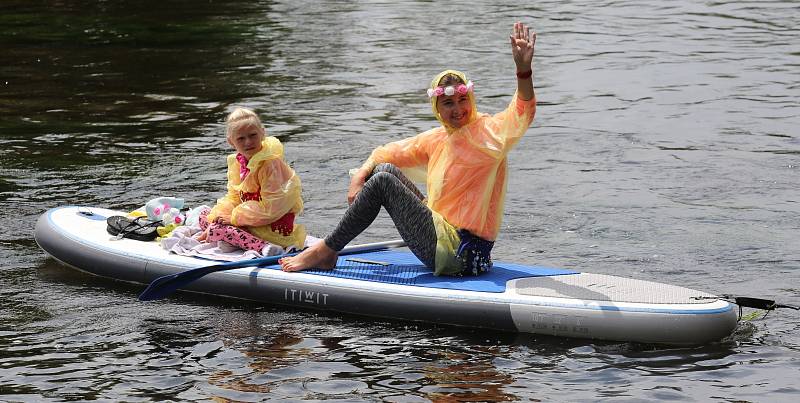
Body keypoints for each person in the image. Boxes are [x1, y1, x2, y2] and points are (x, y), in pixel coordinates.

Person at [280, 21, 537, 275]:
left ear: (470, 98)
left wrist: (523, 71)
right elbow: (386, 153)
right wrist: (359, 177)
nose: (458, 109)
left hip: (464, 254)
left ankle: (326, 250)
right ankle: (330, 247)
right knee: (384, 169)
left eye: (462, 100)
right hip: (443, 235)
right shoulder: (437, 138)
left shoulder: (490, 134)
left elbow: (522, 112)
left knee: (382, 182)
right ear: (437, 108)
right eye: (448, 103)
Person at [198, 107, 306, 254]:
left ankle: (265, 247)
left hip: (273, 225)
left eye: (253, 135)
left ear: (262, 133)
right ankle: (229, 236)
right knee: (205, 215)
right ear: (231, 142)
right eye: (241, 138)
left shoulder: (270, 163)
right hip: (250, 220)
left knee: (219, 228)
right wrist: (223, 216)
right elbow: (234, 197)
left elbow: (272, 209)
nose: (248, 142)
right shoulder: (238, 161)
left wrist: (234, 219)